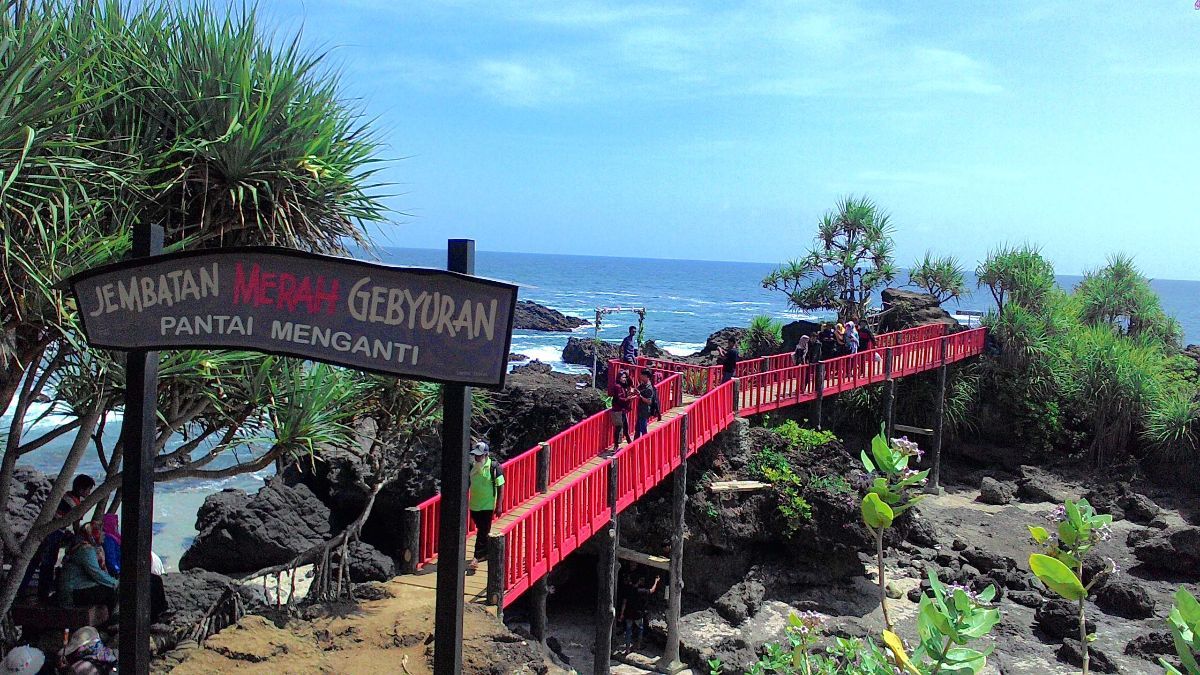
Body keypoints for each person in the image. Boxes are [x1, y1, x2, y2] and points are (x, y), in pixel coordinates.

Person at [28, 474, 95, 599]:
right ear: (81, 489)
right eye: (88, 489)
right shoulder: (74, 503)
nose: (89, 492)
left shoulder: (67, 496)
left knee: (35, 561)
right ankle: (42, 594)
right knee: (48, 563)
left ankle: (23, 589)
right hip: (54, 533)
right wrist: (81, 538)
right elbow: (75, 524)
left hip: (49, 531)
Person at [57, 530, 117, 615]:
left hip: (74, 588)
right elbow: (96, 573)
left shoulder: (87, 548)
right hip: (72, 592)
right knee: (110, 591)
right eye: (101, 531)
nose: (104, 534)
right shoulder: (86, 550)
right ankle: (112, 623)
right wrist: (115, 583)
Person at [466, 442, 504, 573]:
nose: (477, 458)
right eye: (475, 456)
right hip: (474, 505)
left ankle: (476, 557)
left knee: (483, 530)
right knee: (482, 529)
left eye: (479, 456)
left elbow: (501, 486)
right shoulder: (471, 467)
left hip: (488, 505)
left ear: (486, 455)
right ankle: (487, 551)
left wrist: (499, 505)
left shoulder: (494, 467)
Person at [616, 561, 660, 653]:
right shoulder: (641, 591)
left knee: (628, 630)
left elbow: (624, 602)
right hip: (638, 613)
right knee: (640, 628)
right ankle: (639, 646)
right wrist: (656, 581)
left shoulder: (628, 590)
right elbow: (652, 590)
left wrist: (621, 614)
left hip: (628, 613)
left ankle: (627, 649)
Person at [607, 370, 635, 451]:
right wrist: (628, 399)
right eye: (623, 377)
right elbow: (619, 399)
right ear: (619, 378)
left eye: (625, 377)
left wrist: (627, 375)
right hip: (618, 410)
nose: (624, 379)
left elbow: (630, 383)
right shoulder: (617, 386)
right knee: (619, 427)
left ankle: (629, 441)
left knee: (625, 427)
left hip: (622, 409)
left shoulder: (624, 385)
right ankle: (616, 445)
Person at [634, 369, 660, 439]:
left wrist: (640, 396)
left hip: (644, 411)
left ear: (646, 377)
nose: (641, 377)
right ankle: (635, 445)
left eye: (642, 376)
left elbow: (649, 401)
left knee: (643, 430)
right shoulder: (642, 385)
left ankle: (644, 445)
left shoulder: (649, 388)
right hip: (640, 411)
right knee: (637, 429)